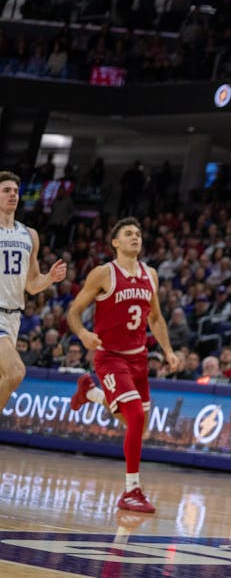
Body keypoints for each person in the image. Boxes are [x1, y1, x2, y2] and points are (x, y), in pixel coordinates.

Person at [66, 217, 177, 514]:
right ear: (115, 242)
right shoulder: (104, 273)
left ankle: (90, 393)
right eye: (128, 233)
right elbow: (74, 311)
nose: (135, 237)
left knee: (137, 428)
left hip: (139, 358)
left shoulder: (150, 274)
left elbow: (155, 318)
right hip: (110, 357)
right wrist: (83, 333)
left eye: (138, 233)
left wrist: (167, 350)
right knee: (136, 419)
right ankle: (131, 491)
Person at [0, 172, 67, 408]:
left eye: (16, 191)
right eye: (6, 190)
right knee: (16, 371)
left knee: (5, 379)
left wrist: (50, 278)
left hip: (14, 316)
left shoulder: (30, 235)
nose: (13, 195)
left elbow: (31, 284)